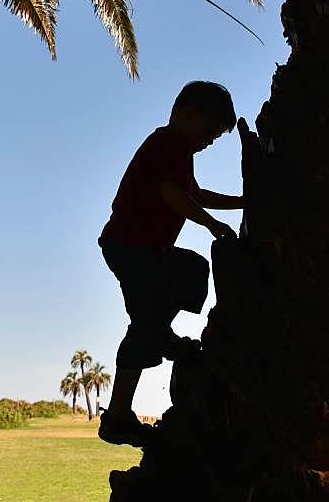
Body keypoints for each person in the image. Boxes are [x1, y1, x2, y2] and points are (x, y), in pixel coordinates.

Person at [97, 81, 245, 448]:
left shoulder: (176, 150)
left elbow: (195, 194)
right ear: (188, 114)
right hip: (131, 248)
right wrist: (211, 225)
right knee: (145, 323)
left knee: (189, 270)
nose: (209, 141)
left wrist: (244, 202)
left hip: (144, 250)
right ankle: (118, 417)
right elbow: (173, 194)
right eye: (209, 132)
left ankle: (162, 336)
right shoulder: (169, 142)